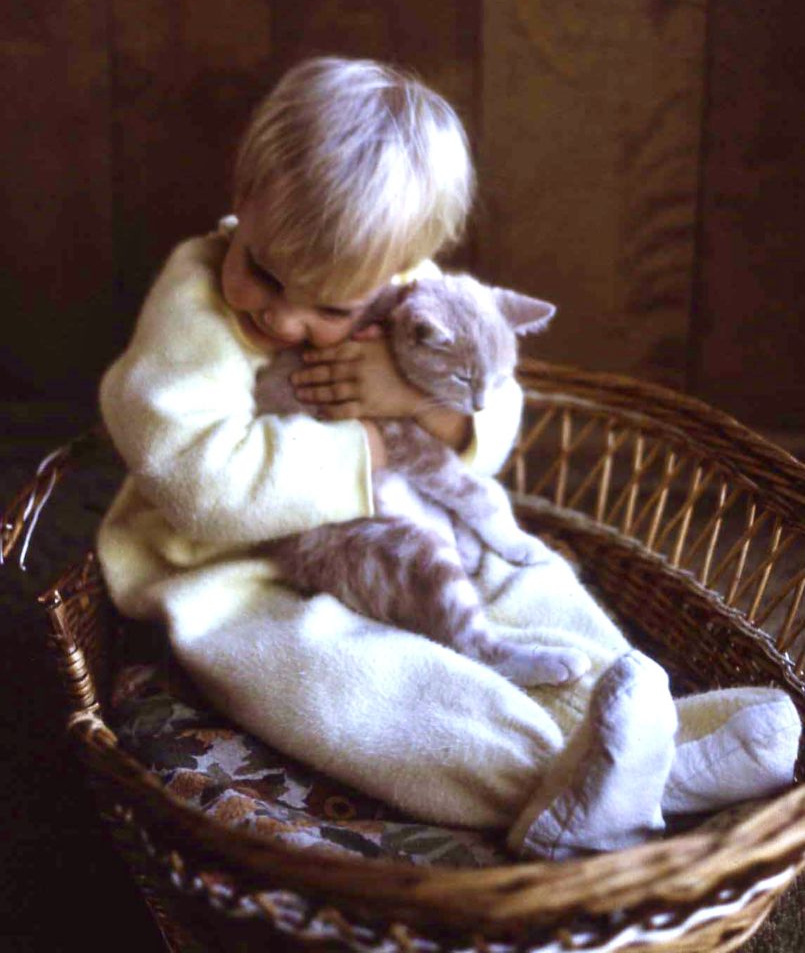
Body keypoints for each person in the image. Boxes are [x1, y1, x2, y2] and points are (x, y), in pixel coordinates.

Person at [97, 56, 800, 861]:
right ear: (240, 201)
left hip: (409, 530)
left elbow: (495, 403)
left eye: (327, 307)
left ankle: (664, 744)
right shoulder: (191, 303)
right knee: (348, 681)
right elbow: (194, 479)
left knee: (525, 579)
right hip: (233, 568)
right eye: (259, 268)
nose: (280, 318)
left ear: (396, 267)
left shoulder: (411, 288)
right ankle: (547, 788)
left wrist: (418, 404)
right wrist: (360, 444)